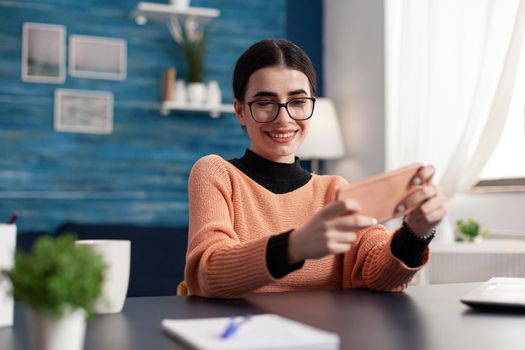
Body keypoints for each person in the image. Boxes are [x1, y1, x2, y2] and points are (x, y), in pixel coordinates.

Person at [184, 39, 447, 298]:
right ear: (240, 110)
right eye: (265, 103)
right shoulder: (216, 173)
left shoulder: (334, 189)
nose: (284, 118)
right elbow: (206, 274)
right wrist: (295, 246)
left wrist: (416, 233)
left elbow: (380, 275)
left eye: (298, 102)